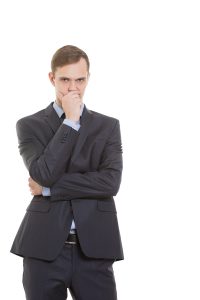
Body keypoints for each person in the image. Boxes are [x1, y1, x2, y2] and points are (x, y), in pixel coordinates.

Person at [10, 45, 124, 300]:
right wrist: (71, 122)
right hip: (43, 248)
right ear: (52, 78)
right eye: (65, 80)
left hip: (94, 247)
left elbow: (110, 183)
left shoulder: (108, 126)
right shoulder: (29, 125)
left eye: (80, 80)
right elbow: (43, 173)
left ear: (88, 79)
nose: (73, 89)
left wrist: (50, 190)